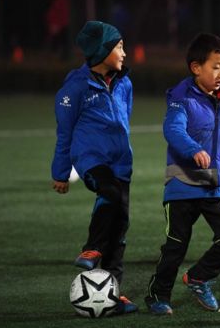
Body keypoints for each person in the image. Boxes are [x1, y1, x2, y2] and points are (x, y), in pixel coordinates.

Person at [145, 33, 220, 315]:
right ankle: (157, 296)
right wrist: (192, 150)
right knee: (176, 245)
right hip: (183, 185)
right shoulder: (181, 97)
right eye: (215, 66)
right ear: (195, 67)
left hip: (216, 185)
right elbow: (173, 129)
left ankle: (200, 277)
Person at [51, 21, 138, 313]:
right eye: (119, 47)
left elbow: (124, 121)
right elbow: (64, 134)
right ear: (102, 51)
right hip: (91, 160)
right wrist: (61, 173)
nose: (124, 53)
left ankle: (112, 296)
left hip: (121, 164)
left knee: (120, 229)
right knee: (109, 192)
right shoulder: (75, 88)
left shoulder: (125, 82)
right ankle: (92, 247)